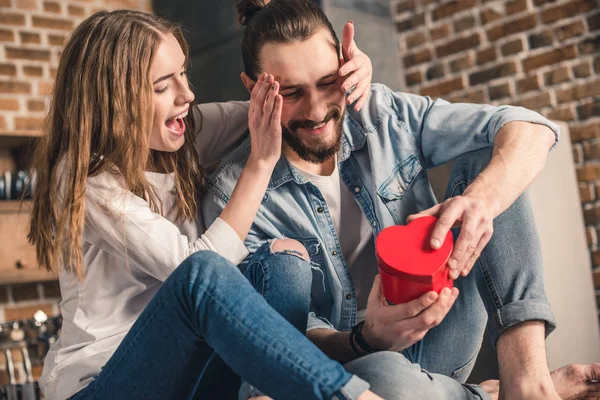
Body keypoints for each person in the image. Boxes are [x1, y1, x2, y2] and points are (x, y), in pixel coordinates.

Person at [202, 1, 600, 399]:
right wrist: (367, 337)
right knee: (387, 376)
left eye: (327, 82)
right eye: (291, 93)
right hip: (355, 369)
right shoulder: (233, 195)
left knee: (490, 159)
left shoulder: (380, 114)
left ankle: (527, 380)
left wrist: (481, 200)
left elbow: (533, 129)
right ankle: (486, 395)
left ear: (346, 64)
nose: (317, 110)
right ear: (253, 89)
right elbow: (279, 340)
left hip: (442, 322)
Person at [27, 9, 382, 400]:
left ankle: (264, 394)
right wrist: (260, 164)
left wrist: (349, 75)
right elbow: (192, 270)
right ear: (115, 102)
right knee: (203, 274)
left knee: (285, 259)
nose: (188, 94)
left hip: (187, 381)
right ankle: (350, 397)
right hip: (105, 384)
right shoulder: (84, 179)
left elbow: (276, 110)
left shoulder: (185, 134)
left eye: (183, 73)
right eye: (163, 87)